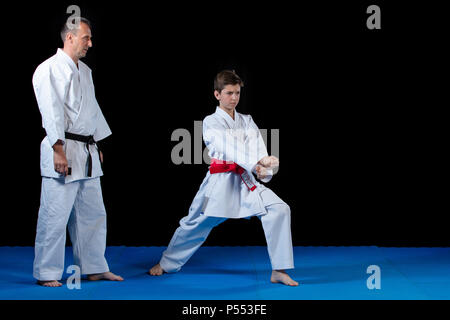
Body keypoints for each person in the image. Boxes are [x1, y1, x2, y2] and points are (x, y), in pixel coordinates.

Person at [149, 70, 298, 286]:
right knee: (194, 223)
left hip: (246, 182)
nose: (234, 98)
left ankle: (279, 270)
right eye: (229, 93)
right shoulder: (211, 122)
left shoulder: (247, 121)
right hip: (219, 184)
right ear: (217, 94)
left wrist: (265, 165)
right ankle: (167, 263)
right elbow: (229, 147)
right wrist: (256, 162)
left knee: (279, 209)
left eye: (237, 93)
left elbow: (258, 148)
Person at [32, 17, 123, 287]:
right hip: (63, 147)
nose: (90, 43)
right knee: (55, 214)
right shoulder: (48, 69)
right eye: (86, 38)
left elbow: (92, 107)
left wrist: (96, 141)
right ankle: (47, 272)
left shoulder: (85, 71)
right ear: (69, 37)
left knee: (93, 212)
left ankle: (94, 267)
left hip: (86, 149)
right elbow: (51, 110)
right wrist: (57, 148)